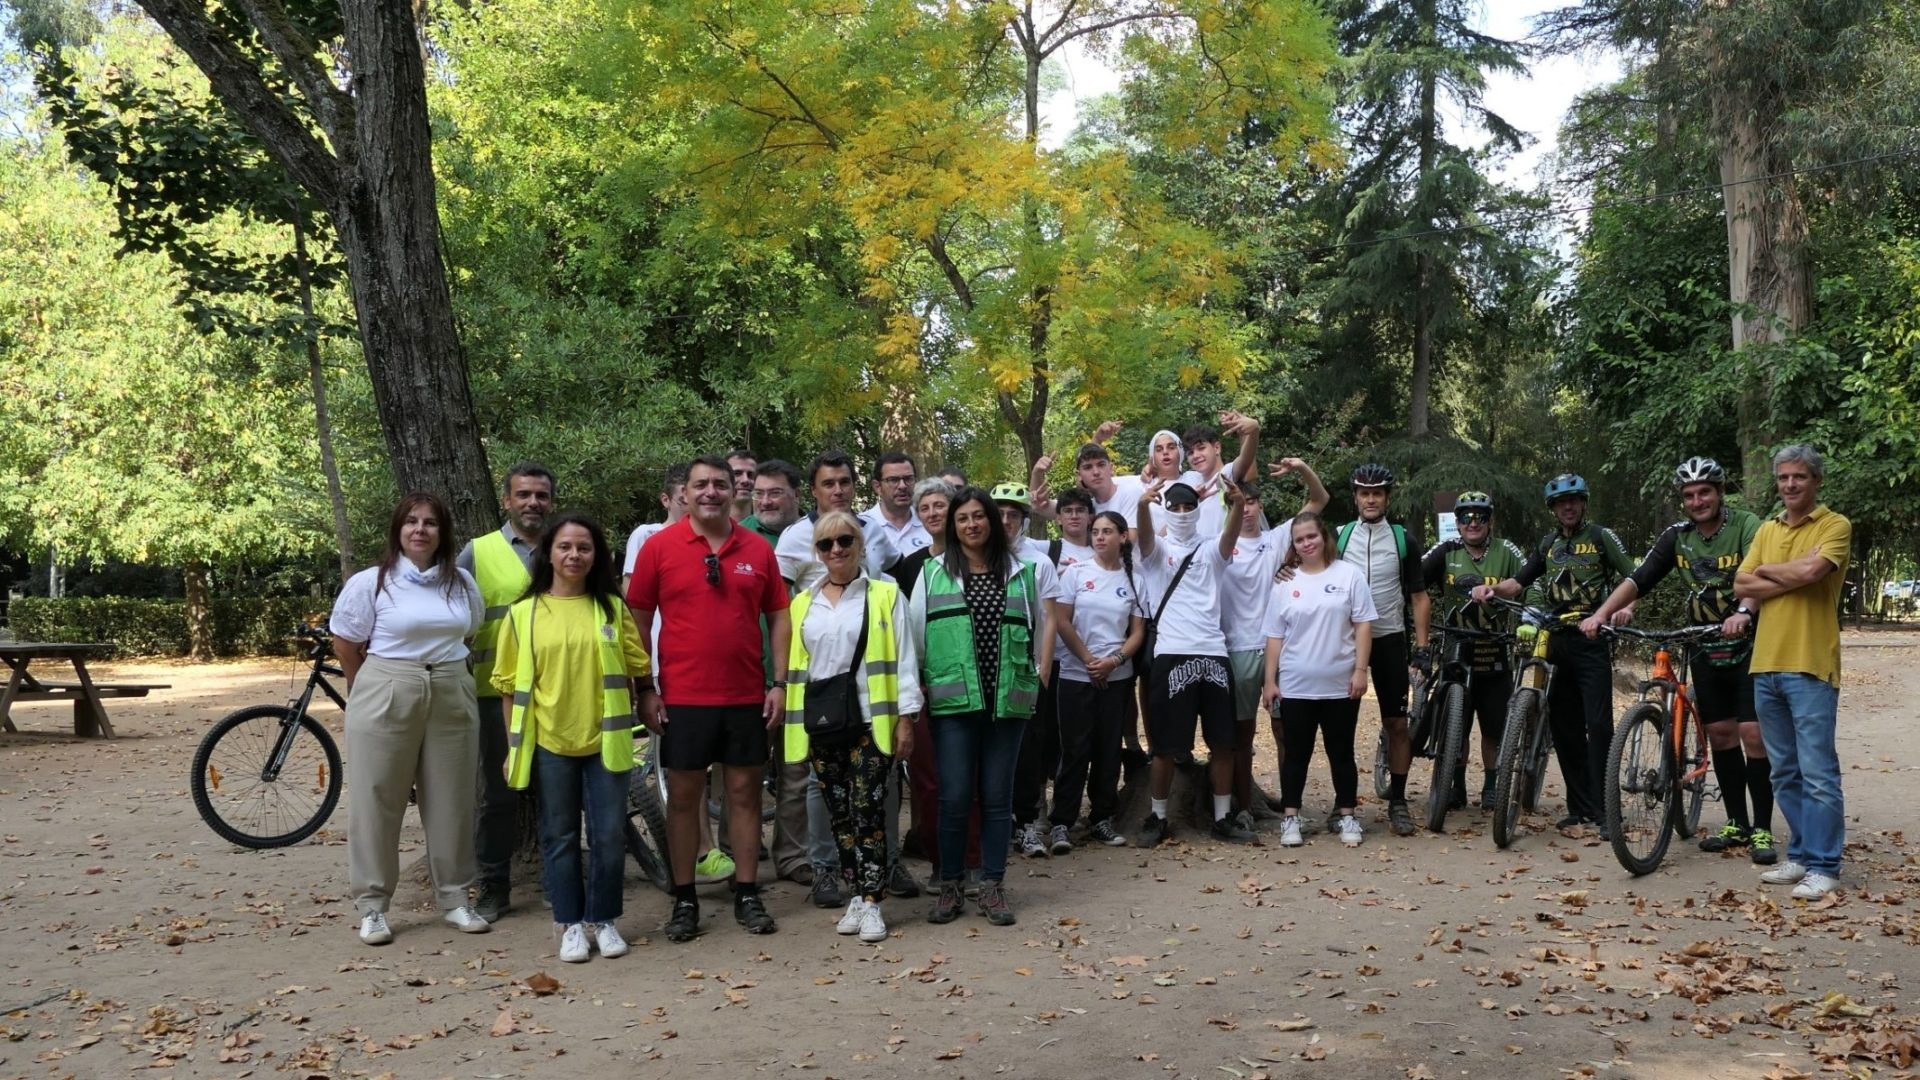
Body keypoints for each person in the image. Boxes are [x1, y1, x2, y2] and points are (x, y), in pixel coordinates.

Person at [627, 456, 791, 942]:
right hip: (681, 697)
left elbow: (779, 615)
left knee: (743, 794)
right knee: (683, 799)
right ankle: (684, 898)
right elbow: (636, 620)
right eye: (701, 485)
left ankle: (746, 892)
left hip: (745, 696)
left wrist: (779, 682)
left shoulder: (757, 549)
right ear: (685, 492)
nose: (711, 492)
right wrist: (645, 687)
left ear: (731, 491)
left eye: (720, 484)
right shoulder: (659, 548)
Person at [1581, 458, 1775, 863]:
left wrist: (1744, 612)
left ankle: (1762, 829)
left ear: (1720, 493)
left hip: (1748, 646)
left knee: (1753, 736)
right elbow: (1640, 578)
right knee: (1721, 736)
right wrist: (1601, 614)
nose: (1697, 500)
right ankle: (1736, 823)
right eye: (1689, 495)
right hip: (1702, 645)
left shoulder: (1746, 525)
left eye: (1704, 492)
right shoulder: (1678, 536)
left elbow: (1759, 574)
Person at [329, 493, 489, 945]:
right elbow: (345, 641)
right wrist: (367, 688)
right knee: (377, 797)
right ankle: (373, 905)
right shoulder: (371, 583)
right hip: (387, 685)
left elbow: (469, 629)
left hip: (450, 688)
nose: (421, 530)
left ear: (443, 532)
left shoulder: (459, 583)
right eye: (412, 522)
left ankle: (456, 897)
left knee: (452, 798)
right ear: (398, 529)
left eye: (431, 523)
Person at [491, 513, 651, 962]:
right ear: (549, 553)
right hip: (549, 744)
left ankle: (604, 919)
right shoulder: (524, 615)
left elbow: (639, 666)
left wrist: (646, 698)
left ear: (596, 555)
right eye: (565, 547)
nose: (574, 555)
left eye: (584, 547)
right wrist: (512, 747)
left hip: (607, 741)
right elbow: (507, 688)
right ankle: (570, 922)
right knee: (558, 837)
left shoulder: (610, 608)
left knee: (606, 835)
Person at [909, 486, 1055, 926]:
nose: (971, 524)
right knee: (954, 798)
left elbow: (1038, 629)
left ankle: (992, 885)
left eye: (978, 516)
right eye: (962, 519)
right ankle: (951, 885)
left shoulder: (1019, 571)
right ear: (952, 527)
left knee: (997, 800)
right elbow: (915, 637)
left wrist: (1035, 677)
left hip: (1005, 704)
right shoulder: (933, 572)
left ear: (991, 520)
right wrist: (922, 689)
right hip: (954, 706)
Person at [782, 512, 924, 941]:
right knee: (839, 814)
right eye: (826, 544)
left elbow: (904, 659)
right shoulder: (803, 603)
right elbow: (798, 670)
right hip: (825, 724)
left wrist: (907, 718)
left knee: (868, 810)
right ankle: (857, 896)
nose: (836, 550)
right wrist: (798, 730)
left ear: (860, 545)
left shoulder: (885, 594)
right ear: (818, 552)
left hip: (871, 720)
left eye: (845, 541)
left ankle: (874, 900)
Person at [1490, 473, 1638, 832]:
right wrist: (1491, 590)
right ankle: (1580, 807)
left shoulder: (1601, 537)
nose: (1568, 507)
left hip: (1592, 640)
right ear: (1553, 509)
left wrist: (1626, 608)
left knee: (1599, 726)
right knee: (1565, 728)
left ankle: (1607, 812)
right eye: (1561, 502)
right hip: (1557, 640)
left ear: (1583, 503)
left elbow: (1635, 576)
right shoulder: (1548, 544)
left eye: (1574, 500)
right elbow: (1518, 581)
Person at [1734, 444, 1851, 899]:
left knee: (1818, 771)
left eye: (1799, 477)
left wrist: (1771, 572)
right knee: (1784, 770)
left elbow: (1815, 571)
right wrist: (1791, 572)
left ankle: (1825, 864)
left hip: (1811, 664)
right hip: (1766, 664)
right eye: (1783, 478)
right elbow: (1743, 582)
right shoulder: (1766, 528)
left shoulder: (1835, 525)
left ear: (1816, 481)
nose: (1790, 485)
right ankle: (1801, 854)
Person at [455, 462, 553, 923]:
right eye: (524, 495)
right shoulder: (477, 552)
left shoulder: (565, 548)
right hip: (493, 692)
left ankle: (558, 881)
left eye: (541, 495)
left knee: (556, 793)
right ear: (507, 500)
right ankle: (493, 887)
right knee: (499, 794)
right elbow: (449, 610)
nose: (532, 502)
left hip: (557, 695)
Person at [1133, 479, 1252, 846]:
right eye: (1176, 507)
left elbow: (1230, 539)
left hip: (1214, 652)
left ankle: (1221, 817)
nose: (1183, 513)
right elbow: (1145, 539)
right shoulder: (1158, 551)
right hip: (1171, 653)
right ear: (1166, 509)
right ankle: (1158, 816)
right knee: (1166, 748)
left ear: (1198, 510)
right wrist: (1142, 505)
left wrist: (1237, 504)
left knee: (1222, 743)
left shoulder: (1211, 548)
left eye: (1189, 507)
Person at [1217, 461, 1327, 828]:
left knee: (1287, 732)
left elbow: (1319, 498)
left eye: (1251, 502)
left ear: (1259, 506)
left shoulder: (1277, 539)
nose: (1246, 509)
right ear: (1231, 507)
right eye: (1238, 503)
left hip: (1281, 648)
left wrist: (1301, 468)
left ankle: (1290, 809)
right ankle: (1244, 808)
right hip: (1238, 648)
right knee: (1241, 735)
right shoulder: (1221, 545)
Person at [743, 459, 836, 890]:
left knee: (796, 768)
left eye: (775, 492)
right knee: (740, 772)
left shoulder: (826, 536)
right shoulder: (740, 537)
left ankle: (792, 855)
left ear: (798, 495)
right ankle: (734, 857)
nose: (765, 500)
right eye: (759, 493)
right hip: (746, 673)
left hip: (800, 675)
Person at [1262, 512, 1378, 848]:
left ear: (1323, 537)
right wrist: (1270, 681)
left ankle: (1347, 816)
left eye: (1311, 536)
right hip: (1297, 684)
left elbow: (1363, 625)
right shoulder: (1285, 582)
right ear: (1293, 546)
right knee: (1296, 754)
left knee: (1341, 752)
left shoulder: (1349, 575)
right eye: (1299, 539)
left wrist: (1360, 670)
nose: (1306, 543)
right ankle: (1290, 818)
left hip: (1340, 684)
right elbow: (1273, 635)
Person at [1334, 464, 1430, 837]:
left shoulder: (1403, 539)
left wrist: (1421, 648)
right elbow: (1312, 571)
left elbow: (1419, 597)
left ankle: (1399, 802)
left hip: (1390, 636)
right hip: (1346, 640)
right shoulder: (1339, 537)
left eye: (1377, 493)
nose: (1370, 499)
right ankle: (1343, 803)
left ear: (1387, 498)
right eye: (1364, 492)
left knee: (1397, 724)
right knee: (1341, 724)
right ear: (1355, 497)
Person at [1049, 510, 1147, 847]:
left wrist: (1114, 660)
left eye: (1107, 531)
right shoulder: (1075, 573)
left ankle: (1102, 817)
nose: (1100, 537)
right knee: (1074, 749)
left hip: (1117, 678)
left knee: (1108, 748)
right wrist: (1090, 661)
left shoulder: (1134, 579)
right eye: (1095, 532)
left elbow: (1137, 632)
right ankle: (1062, 820)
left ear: (1122, 537)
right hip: (1077, 675)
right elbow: (1062, 621)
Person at [1424, 492, 1527, 807]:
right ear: (1456, 522)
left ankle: (1492, 786)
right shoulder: (1447, 551)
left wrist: (1530, 620)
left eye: (1480, 516)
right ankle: (1454, 786)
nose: (1473, 523)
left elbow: (1531, 581)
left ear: (1490, 520)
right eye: (1465, 517)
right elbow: (1416, 578)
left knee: (1494, 728)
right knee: (1456, 726)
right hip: (1457, 650)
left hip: (1495, 651)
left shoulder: (1506, 551)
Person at [992, 482, 1071, 859]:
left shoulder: (1039, 562)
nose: (1006, 521)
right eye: (1001, 514)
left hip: (1026, 671)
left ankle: (1026, 823)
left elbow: (1050, 619)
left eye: (1013, 515)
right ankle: (998, 823)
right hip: (989, 672)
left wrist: (1043, 668)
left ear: (1024, 521)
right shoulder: (981, 556)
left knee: (1027, 748)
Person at [776, 451, 900, 591]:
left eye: (844, 482)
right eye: (829, 484)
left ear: (854, 487)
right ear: (814, 490)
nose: (838, 491)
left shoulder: (872, 528)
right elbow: (777, 599)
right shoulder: (795, 536)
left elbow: (897, 567)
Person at [1177, 413, 1262, 537]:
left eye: (1201, 448)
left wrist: (1254, 430)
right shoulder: (1189, 479)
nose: (1195, 455)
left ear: (1216, 448)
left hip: (1227, 553)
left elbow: (1246, 458)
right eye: (1190, 452)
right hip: (1197, 553)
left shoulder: (1227, 474)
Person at [623, 463, 690, 587]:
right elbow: (630, 584)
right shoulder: (645, 534)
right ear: (666, 500)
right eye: (682, 501)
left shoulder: (706, 539)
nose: (690, 507)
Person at [862, 451, 934, 557]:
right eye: (893, 480)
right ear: (877, 487)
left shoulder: (929, 522)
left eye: (908, 479)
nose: (902, 486)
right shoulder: (863, 526)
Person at [894, 478, 956, 598]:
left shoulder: (971, 556)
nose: (932, 514)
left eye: (939, 506)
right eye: (924, 509)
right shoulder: (910, 565)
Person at [743, 459, 802, 546]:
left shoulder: (817, 530)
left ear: (796, 495)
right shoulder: (739, 534)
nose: (765, 502)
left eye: (775, 493)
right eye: (759, 493)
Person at [726, 449, 759, 522]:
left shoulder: (769, 525)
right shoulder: (708, 525)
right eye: (737, 473)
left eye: (751, 475)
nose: (745, 480)